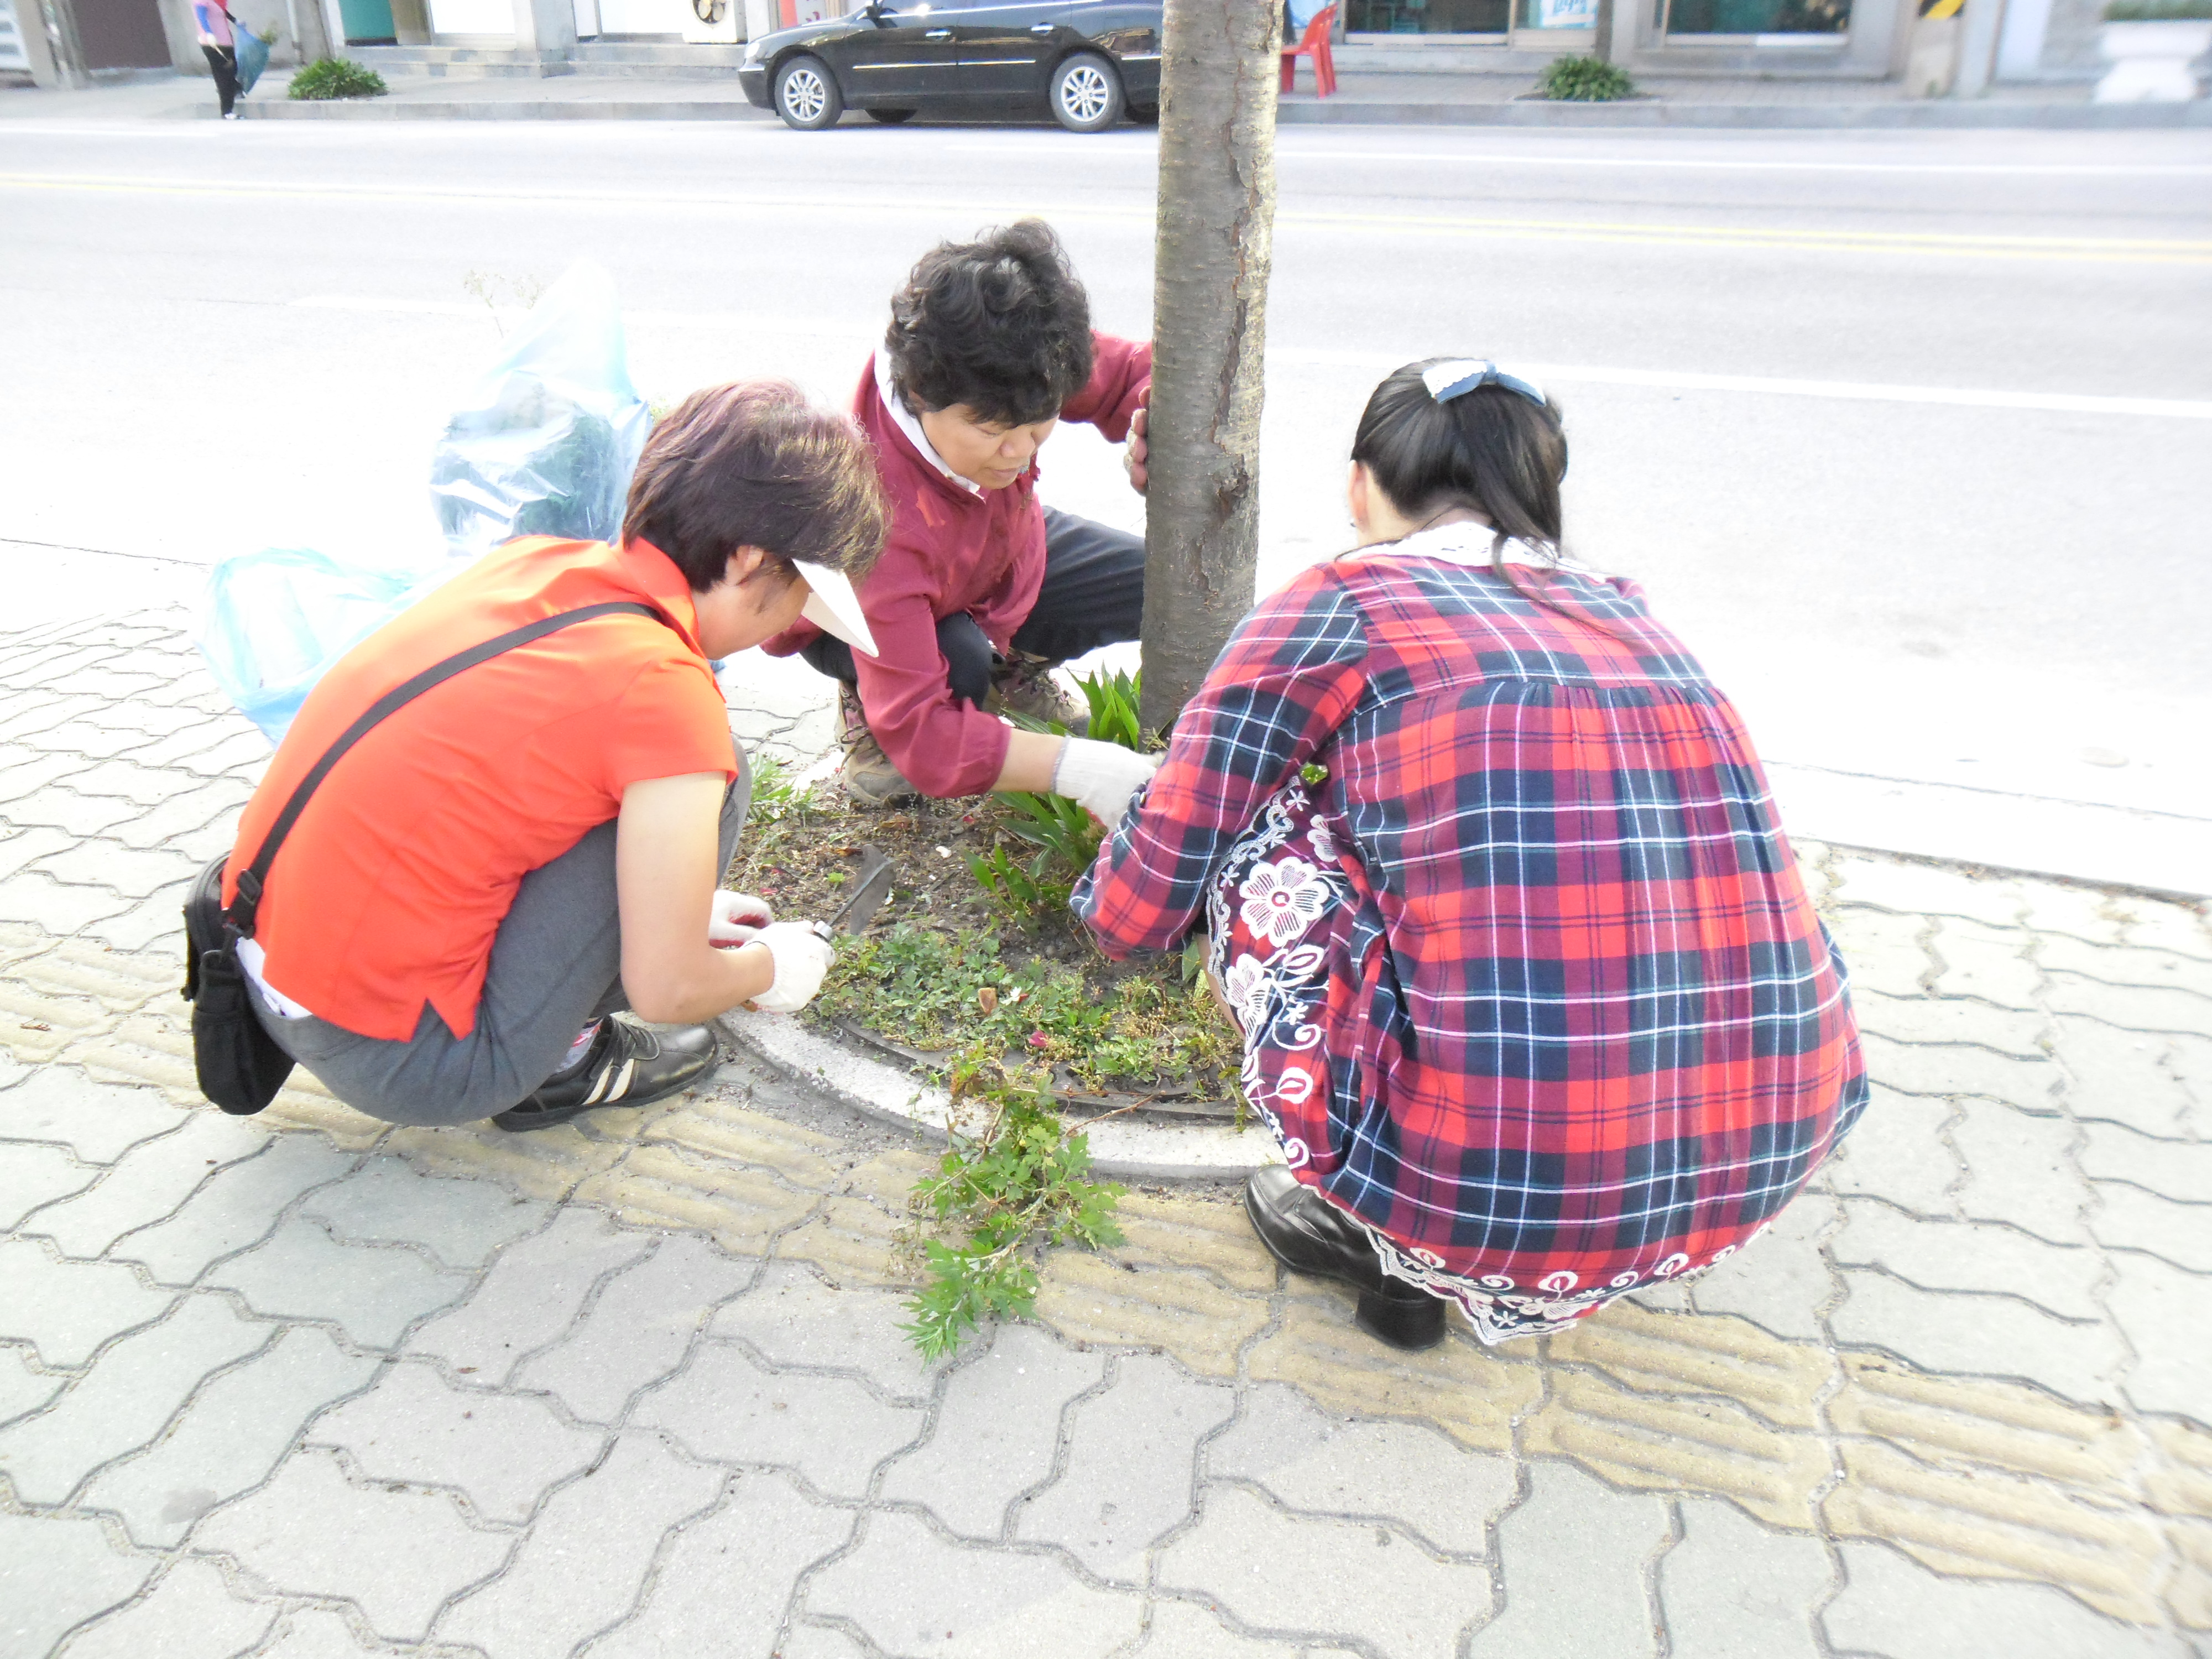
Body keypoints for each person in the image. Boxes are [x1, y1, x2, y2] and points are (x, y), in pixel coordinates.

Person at [1075, 358, 1867, 1352]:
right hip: (1766, 1150)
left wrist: (1113, 868)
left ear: (1360, 485)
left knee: (1267, 823)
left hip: (1484, 1198)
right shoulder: (1636, 620)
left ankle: (1383, 1243)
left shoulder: (1349, 602)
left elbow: (1162, 864)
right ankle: (1571, 1197)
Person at [229, 380, 889, 1132]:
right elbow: (669, 989)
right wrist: (775, 968)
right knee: (717, 772)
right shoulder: (663, 689)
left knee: (645, 780)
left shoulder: (537, 566)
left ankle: (629, 944)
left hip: (261, 961)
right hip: (410, 1061)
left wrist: (681, 910)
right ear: (749, 563)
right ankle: (565, 1065)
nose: (790, 624)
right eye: (799, 595)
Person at [760, 219, 1159, 826]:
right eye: (991, 430)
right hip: (867, 606)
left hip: (992, 549)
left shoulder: (1009, 360)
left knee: (1156, 584)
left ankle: (1009, 666)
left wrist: (1155, 433)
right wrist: (1085, 769)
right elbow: (925, 736)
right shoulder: (873, 518)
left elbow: (1134, 374)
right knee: (956, 674)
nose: (1019, 451)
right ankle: (869, 699)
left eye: (1038, 424)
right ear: (921, 395)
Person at [193, 0, 241, 119]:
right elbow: (201, 16)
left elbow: (222, 11)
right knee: (224, 77)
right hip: (214, 45)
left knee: (232, 71)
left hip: (226, 43)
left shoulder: (216, 2)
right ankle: (227, 112)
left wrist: (235, 20)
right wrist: (209, 33)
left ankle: (233, 90)